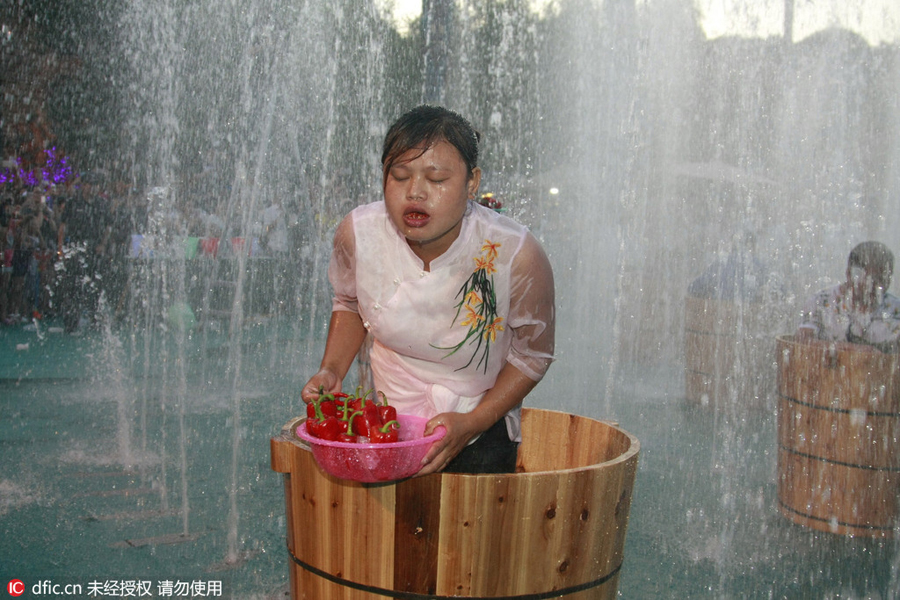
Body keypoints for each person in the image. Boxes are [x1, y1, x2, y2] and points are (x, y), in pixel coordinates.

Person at [300, 105, 555, 475]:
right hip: (386, 426)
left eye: (436, 180)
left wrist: (475, 422)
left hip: (479, 431)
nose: (415, 192)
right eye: (400, 176)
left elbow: (533, 355)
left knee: (469, 533)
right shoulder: (359, 234)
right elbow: (350, 303)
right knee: (389, 533)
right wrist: (331, 369)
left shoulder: (515, 254)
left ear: (472, 183)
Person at [796, 241, 900, 353]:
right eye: (870, 278)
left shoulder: (895, 310)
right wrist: (851, 350)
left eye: (882, 279)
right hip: (829, 368)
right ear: (849, 273)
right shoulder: (821, 302)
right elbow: (802, 342)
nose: (876, 286)